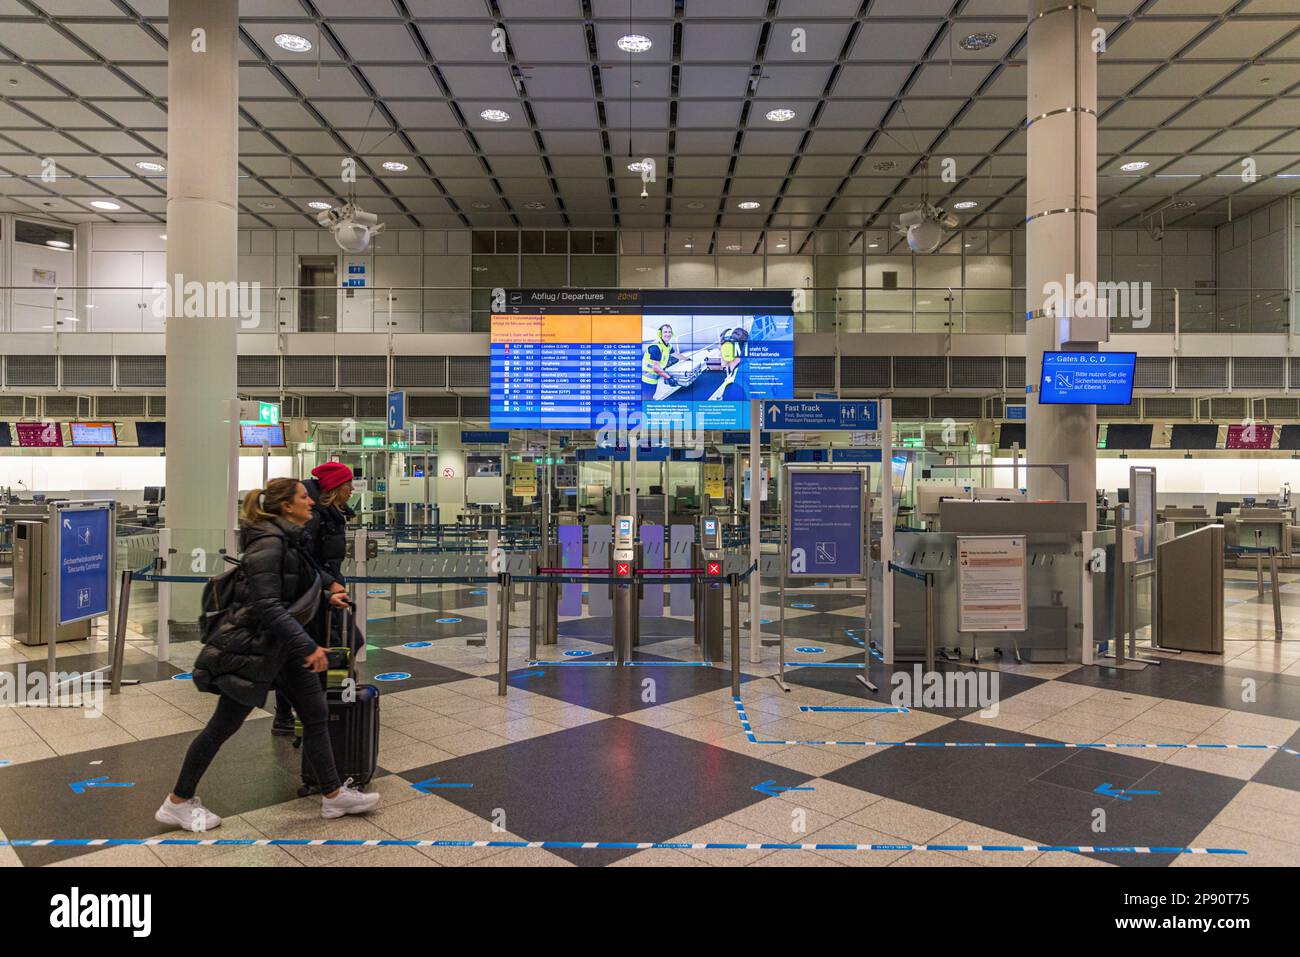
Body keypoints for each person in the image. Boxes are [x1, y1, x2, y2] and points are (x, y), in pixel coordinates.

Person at [156, 478, 380, 832]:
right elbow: (267, 606)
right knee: (223, 726)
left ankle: (334, 795)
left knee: (315, 713)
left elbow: (292, 588)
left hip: (282, 649)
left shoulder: (289, 538)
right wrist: (308, 645)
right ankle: (178, 802)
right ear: (286, 506)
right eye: (304, 497)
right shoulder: (269, 543)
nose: (312, 501)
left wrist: (325, 595)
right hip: (257, 649)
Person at [272, 461, 356, 735]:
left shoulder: (331, 512)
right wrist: (329, 584)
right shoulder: (315, 516)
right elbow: (305, 558)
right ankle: (301, 712)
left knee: (314, 651)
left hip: (321, 590)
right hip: (312, 593)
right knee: (306, 653)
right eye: (348, 485)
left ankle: (301, 712)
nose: (352, 490)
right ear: (335, 488)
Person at [641, 323, 683, 400]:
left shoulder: (668, 346)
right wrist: (669, 378)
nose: (668, 334)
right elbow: (656, 368)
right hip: (646, 378)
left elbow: (675, 354)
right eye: (665, 332)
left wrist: (687, 359)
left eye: (669, 332)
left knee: (650, 395)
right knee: (647, 396)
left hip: (654, 378)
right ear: (660, 334)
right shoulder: (656, 347)